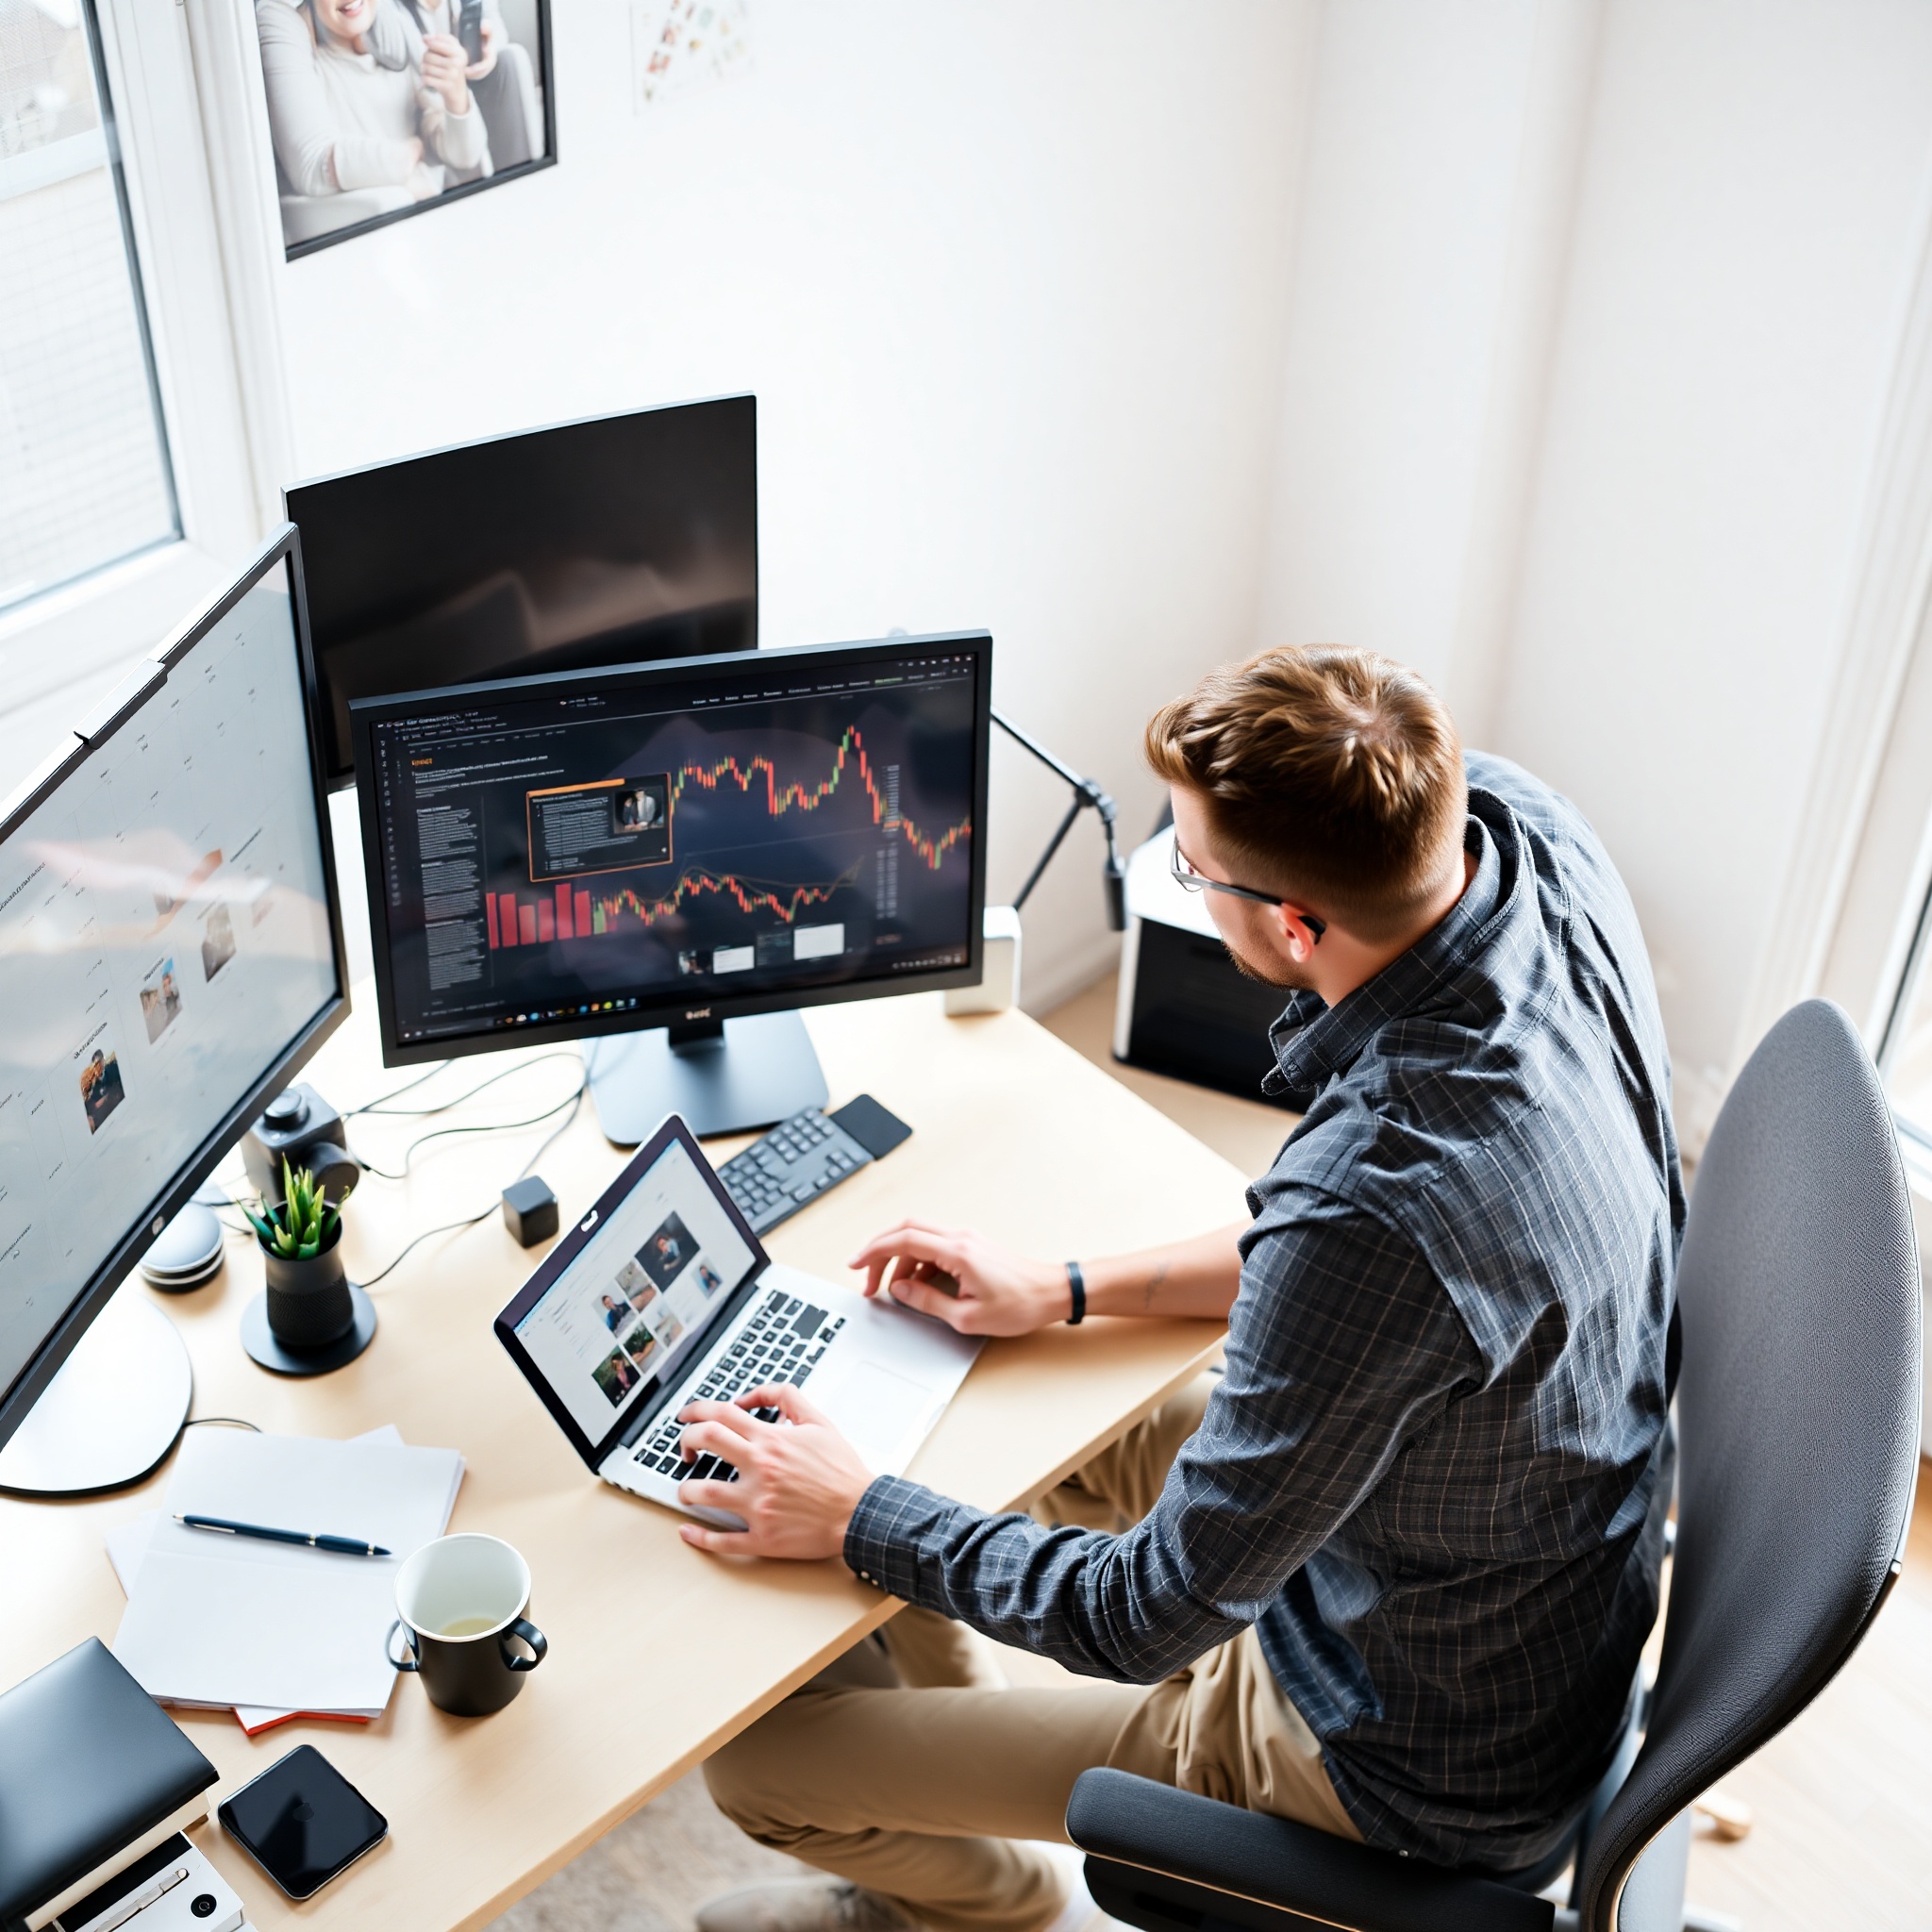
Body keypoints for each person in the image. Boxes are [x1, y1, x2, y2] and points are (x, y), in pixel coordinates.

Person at [675, 645, 1683, 1932]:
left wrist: (868, 1518)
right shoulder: (1531, 838)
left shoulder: (1380, 1196)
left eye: (1194, 871)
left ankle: (979, 1912)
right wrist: (1066, 1288)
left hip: (1389, 1755)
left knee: (759, 1769)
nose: (1187, 885)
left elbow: (1144, 1614)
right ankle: (948, 1711)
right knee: (1021, 1416)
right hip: (1507, 1567)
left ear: (1294, 923)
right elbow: (1370, 1276)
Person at [255, 0, 490, 209]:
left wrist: (456, 97)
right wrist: (407, 160)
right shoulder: (298, 46)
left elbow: (465, 156)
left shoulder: (396, 30)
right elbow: (312, 166)